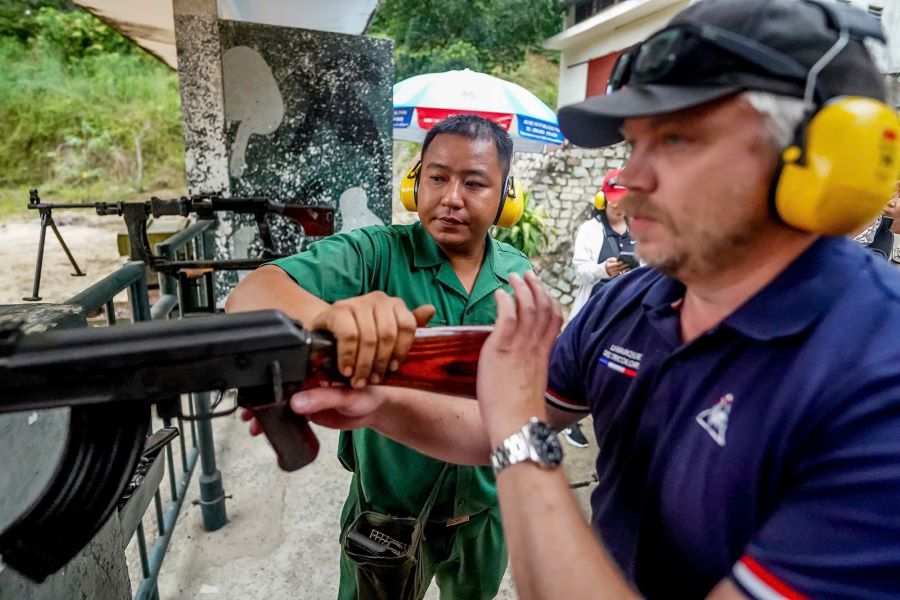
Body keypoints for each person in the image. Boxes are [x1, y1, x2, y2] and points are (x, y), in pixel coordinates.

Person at [285, 1, 900, 598]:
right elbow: (494, 426)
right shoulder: (626, 304)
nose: (629, 181)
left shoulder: (878, 380)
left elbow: (516, 432)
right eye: (634, 144)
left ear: (822, 163)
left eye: (679, 140)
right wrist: (376, 405)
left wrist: (524, 442)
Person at [226, 114, 531, 599]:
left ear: (505, 197)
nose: (451, 197)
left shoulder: (518, 274)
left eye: (474, 183)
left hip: (486, 518)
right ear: (415, 184)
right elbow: (252, 291)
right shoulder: (376, 253)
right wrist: (325, 317)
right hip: (387, 518)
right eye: (436, 177)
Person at [569, 168, 635, 320]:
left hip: (628, 314)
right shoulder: (589, 229)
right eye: (614, 203)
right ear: (602, 200)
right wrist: (603, 269)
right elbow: (580, 272)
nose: (619, 208)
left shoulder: (639, 231)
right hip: (594, 314)